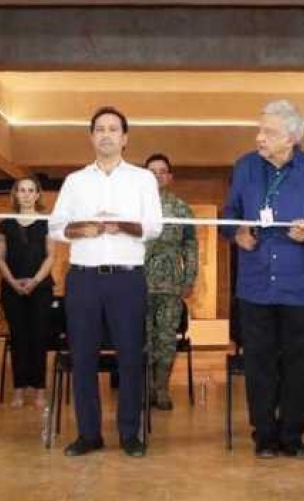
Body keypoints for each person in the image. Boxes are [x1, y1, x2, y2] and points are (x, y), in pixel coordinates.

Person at [221, 99, 304, 459]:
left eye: (268, 132)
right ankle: (264, 434)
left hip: (301, 286)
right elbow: (229, 214)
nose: (259, 138)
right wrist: (236, 232)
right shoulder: (245, 167)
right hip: (255, 284)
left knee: (299, 362)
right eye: (259, 130)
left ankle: (293, 434)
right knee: (258, 362)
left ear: (291, 137)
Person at [49, 107, 163, 458]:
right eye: (100, 129)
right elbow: (55, 227)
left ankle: (129, 433)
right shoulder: (75, 181)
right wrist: (79, 229)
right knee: (82, 358)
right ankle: (89, 434)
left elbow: (154, 226)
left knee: (130, 357)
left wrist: (120, 226)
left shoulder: (143, 179)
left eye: (114, 129)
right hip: (83, 280)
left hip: (127, 280)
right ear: (91, 137)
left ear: (125, 138)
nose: (106, 135)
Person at [143, 153, 198, 411]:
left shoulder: (181, 208)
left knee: (166, 338)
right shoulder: (134, 207)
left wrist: (190, 278)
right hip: (138, 283)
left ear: (170, 177)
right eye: (152, 171)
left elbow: (190, 246)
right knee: (140, 337)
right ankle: (144, 388)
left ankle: (162, 388)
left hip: (170, 284)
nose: (157, 175)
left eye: (162, 171)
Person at [0, 175, 55, 409]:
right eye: (22, 190)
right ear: (16, 194)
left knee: (39, 338)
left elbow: (51, 255)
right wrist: (12, 281)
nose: (27, 194)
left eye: (31, 190)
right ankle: (19, 389)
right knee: (18, 338)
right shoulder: (6, 224)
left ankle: (40, 390)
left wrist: (35, 281)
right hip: (12, 289)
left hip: (41, 288)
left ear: (38, 195)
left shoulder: (47, 222)